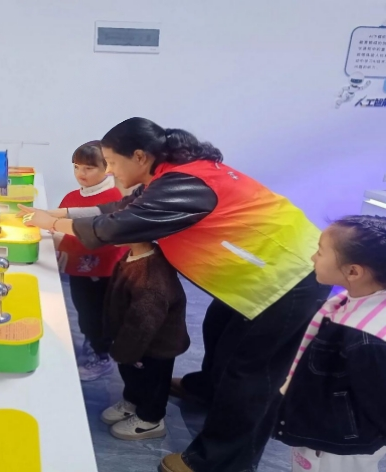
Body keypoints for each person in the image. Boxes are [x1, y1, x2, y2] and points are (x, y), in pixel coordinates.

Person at [19, 117, 332, 472]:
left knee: (250, 374)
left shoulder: (184, 184)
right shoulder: (169, 176)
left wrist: (50, 224)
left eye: (112, 162)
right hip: (263, 272)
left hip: (290, 277)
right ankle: (204, 389)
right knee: (219, 330)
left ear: (139, 156)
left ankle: (217, 461)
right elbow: (118, 209)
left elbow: (115, 226)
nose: (109, 171)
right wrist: (50, 213)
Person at [275, 215, 386, 472]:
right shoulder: (356, 300)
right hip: (329, 426)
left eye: (320, 252)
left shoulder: (367, 338)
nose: (313, 258)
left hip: (338, 443)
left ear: (353, 271)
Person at [101, 241, 189, 441]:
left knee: (153, 383)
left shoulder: (152, 278)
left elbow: (143, 321)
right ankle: (133, 401)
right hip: (133, 340)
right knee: (132, 375)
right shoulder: (135, 256)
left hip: (155, 346)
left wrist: (124, 351)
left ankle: (150, 419)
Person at [54, 141, 126, 381]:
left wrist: (58, 240)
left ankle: (102, 356)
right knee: (84, 310)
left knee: (98, 314)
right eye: (76, 167)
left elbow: (102, 239)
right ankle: (91, 340)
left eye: (88, 168)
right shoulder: (73, 196)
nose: (80, 173)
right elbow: (60, 225)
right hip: (79, 268)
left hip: (102, 271)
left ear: (107, 168)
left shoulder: (114, 197)